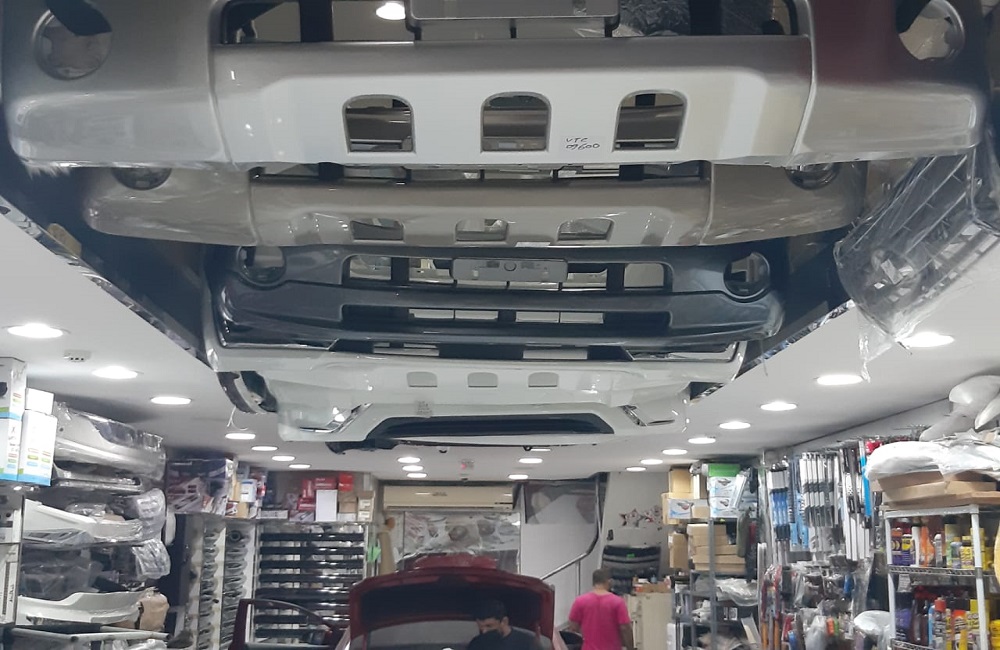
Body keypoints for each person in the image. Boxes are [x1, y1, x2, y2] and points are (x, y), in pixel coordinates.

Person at [567, 569, 634, 650]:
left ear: (593, 582)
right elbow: (625, 628)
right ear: (609, 582)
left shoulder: (580, 601)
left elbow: (573, 627)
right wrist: (630, 647)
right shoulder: (618, 602)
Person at [468, 600, 537, 650]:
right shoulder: (476, 644)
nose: (484, 631)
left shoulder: (527, 643)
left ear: (504, 621)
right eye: (480, 627)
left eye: (489, 626)